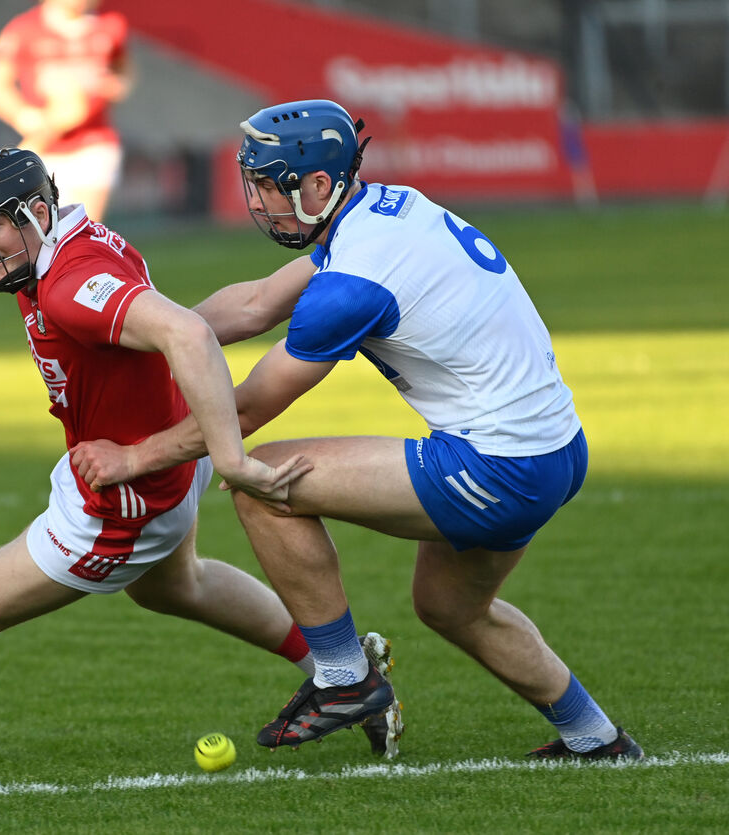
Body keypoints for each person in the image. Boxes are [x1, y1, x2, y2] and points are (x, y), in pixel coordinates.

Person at [0, 147, 385, 766]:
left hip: (123, 495)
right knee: (177, 588)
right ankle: (344, 670)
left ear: (37, 213)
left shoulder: (68, 288)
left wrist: (230, 458)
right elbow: (16, 270)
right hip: (158, 453)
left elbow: (187, 333)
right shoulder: (64, 243)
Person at [69, 99, 643, 761]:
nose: (258, 199)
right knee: (449, 606)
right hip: (555, 450)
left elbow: (243, 413)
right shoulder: (382, 208)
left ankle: (343, 678)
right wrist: (143, 330)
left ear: (318, 186)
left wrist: (132, 456)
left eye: (268, 184)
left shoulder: (353, 284)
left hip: (498, 466)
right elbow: (255, 303)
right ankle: (597, 737)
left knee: (262, 481)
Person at [0, 0, 132, 222]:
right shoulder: (23, 29)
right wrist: (26, 117)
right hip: (44, 148)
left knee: (82, 231)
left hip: (95, 143)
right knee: (40, 232)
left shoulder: (110, 26)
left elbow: (123, 73)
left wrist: (116, 86)